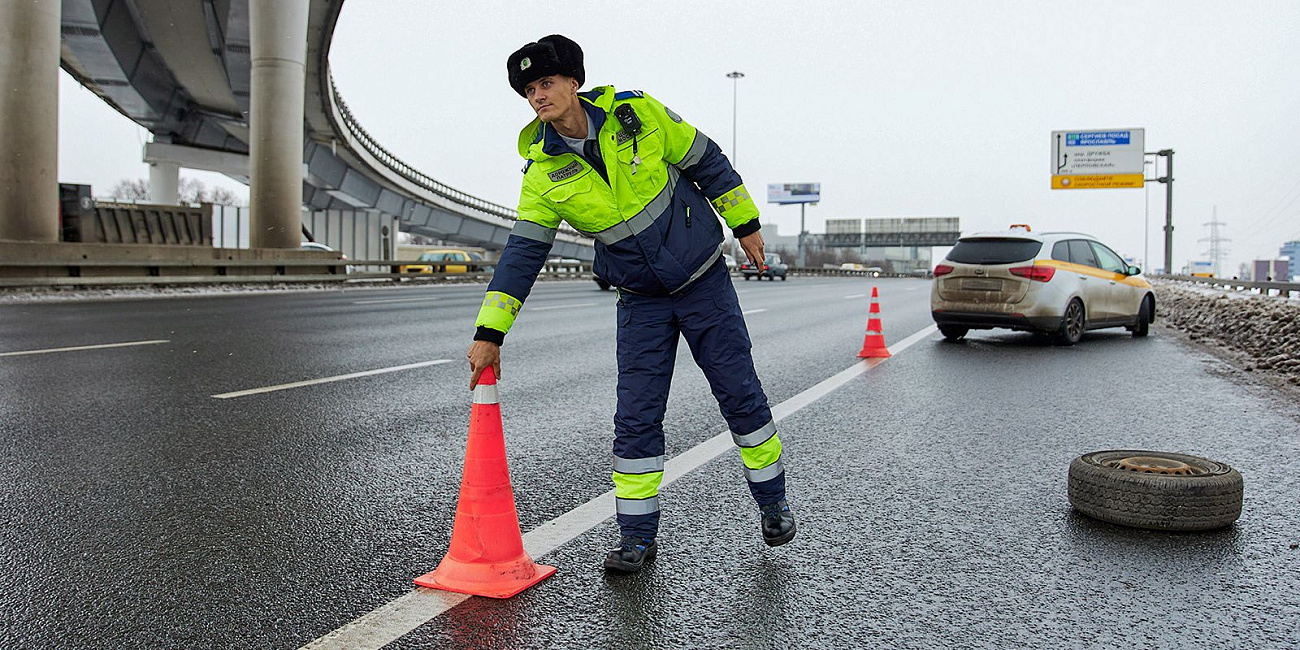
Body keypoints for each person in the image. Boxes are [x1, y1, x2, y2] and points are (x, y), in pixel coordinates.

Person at [466, 34, 794, 574]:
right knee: (636, 417)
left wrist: (747, 223)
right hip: (641, 301)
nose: (538, 96)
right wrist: (490, 332)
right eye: (529, 90)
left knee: (739, 395)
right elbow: (521, 258)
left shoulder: (635, 115)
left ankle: (773, 504)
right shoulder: (543, 174)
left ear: (574, 82)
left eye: (547, 83)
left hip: (703, 281)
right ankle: (637, 539)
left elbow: (706, 160)